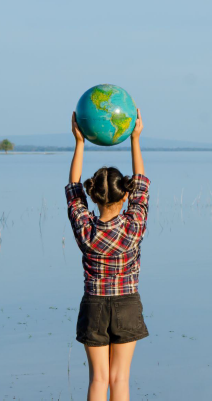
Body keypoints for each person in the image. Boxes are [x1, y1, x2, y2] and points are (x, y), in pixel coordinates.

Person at [65, 109, 150, 400]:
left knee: (99, 379)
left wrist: (79, 143)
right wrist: (134, 138)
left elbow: (73, 190)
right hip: (127, 303)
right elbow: (141, 183)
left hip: (94, 306)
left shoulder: (85, 228)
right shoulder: (133, 226)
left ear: (94, 196)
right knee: (120, 379)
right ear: (124, 195)